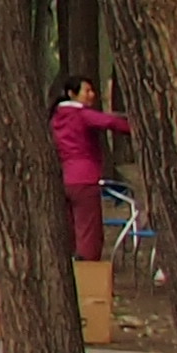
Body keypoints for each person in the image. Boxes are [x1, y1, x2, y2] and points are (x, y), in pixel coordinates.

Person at [51, 80, 133, 263]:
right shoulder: (81, 114)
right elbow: (109, 121)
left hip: (63, 178)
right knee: (89, 231)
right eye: (87, 91)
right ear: (72, 93)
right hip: (85, 178)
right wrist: (133, 128)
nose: (92, 94)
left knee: (69, 229)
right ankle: (88, 272)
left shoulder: (56, 117)